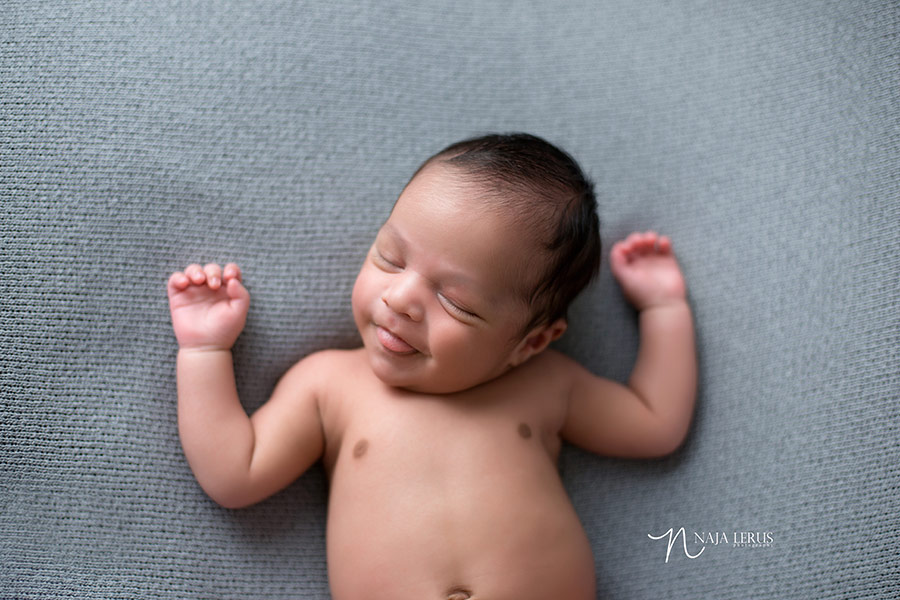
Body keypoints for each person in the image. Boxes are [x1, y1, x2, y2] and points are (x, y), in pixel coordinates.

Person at [166, 133, 697, 600]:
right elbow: (236, 473)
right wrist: (205, 351)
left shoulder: (546, 383)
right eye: (389, 258)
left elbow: (655, 423)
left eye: (458, 303)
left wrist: (663, 309)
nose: (399, 299)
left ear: (530, 342)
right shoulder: (329, 385)